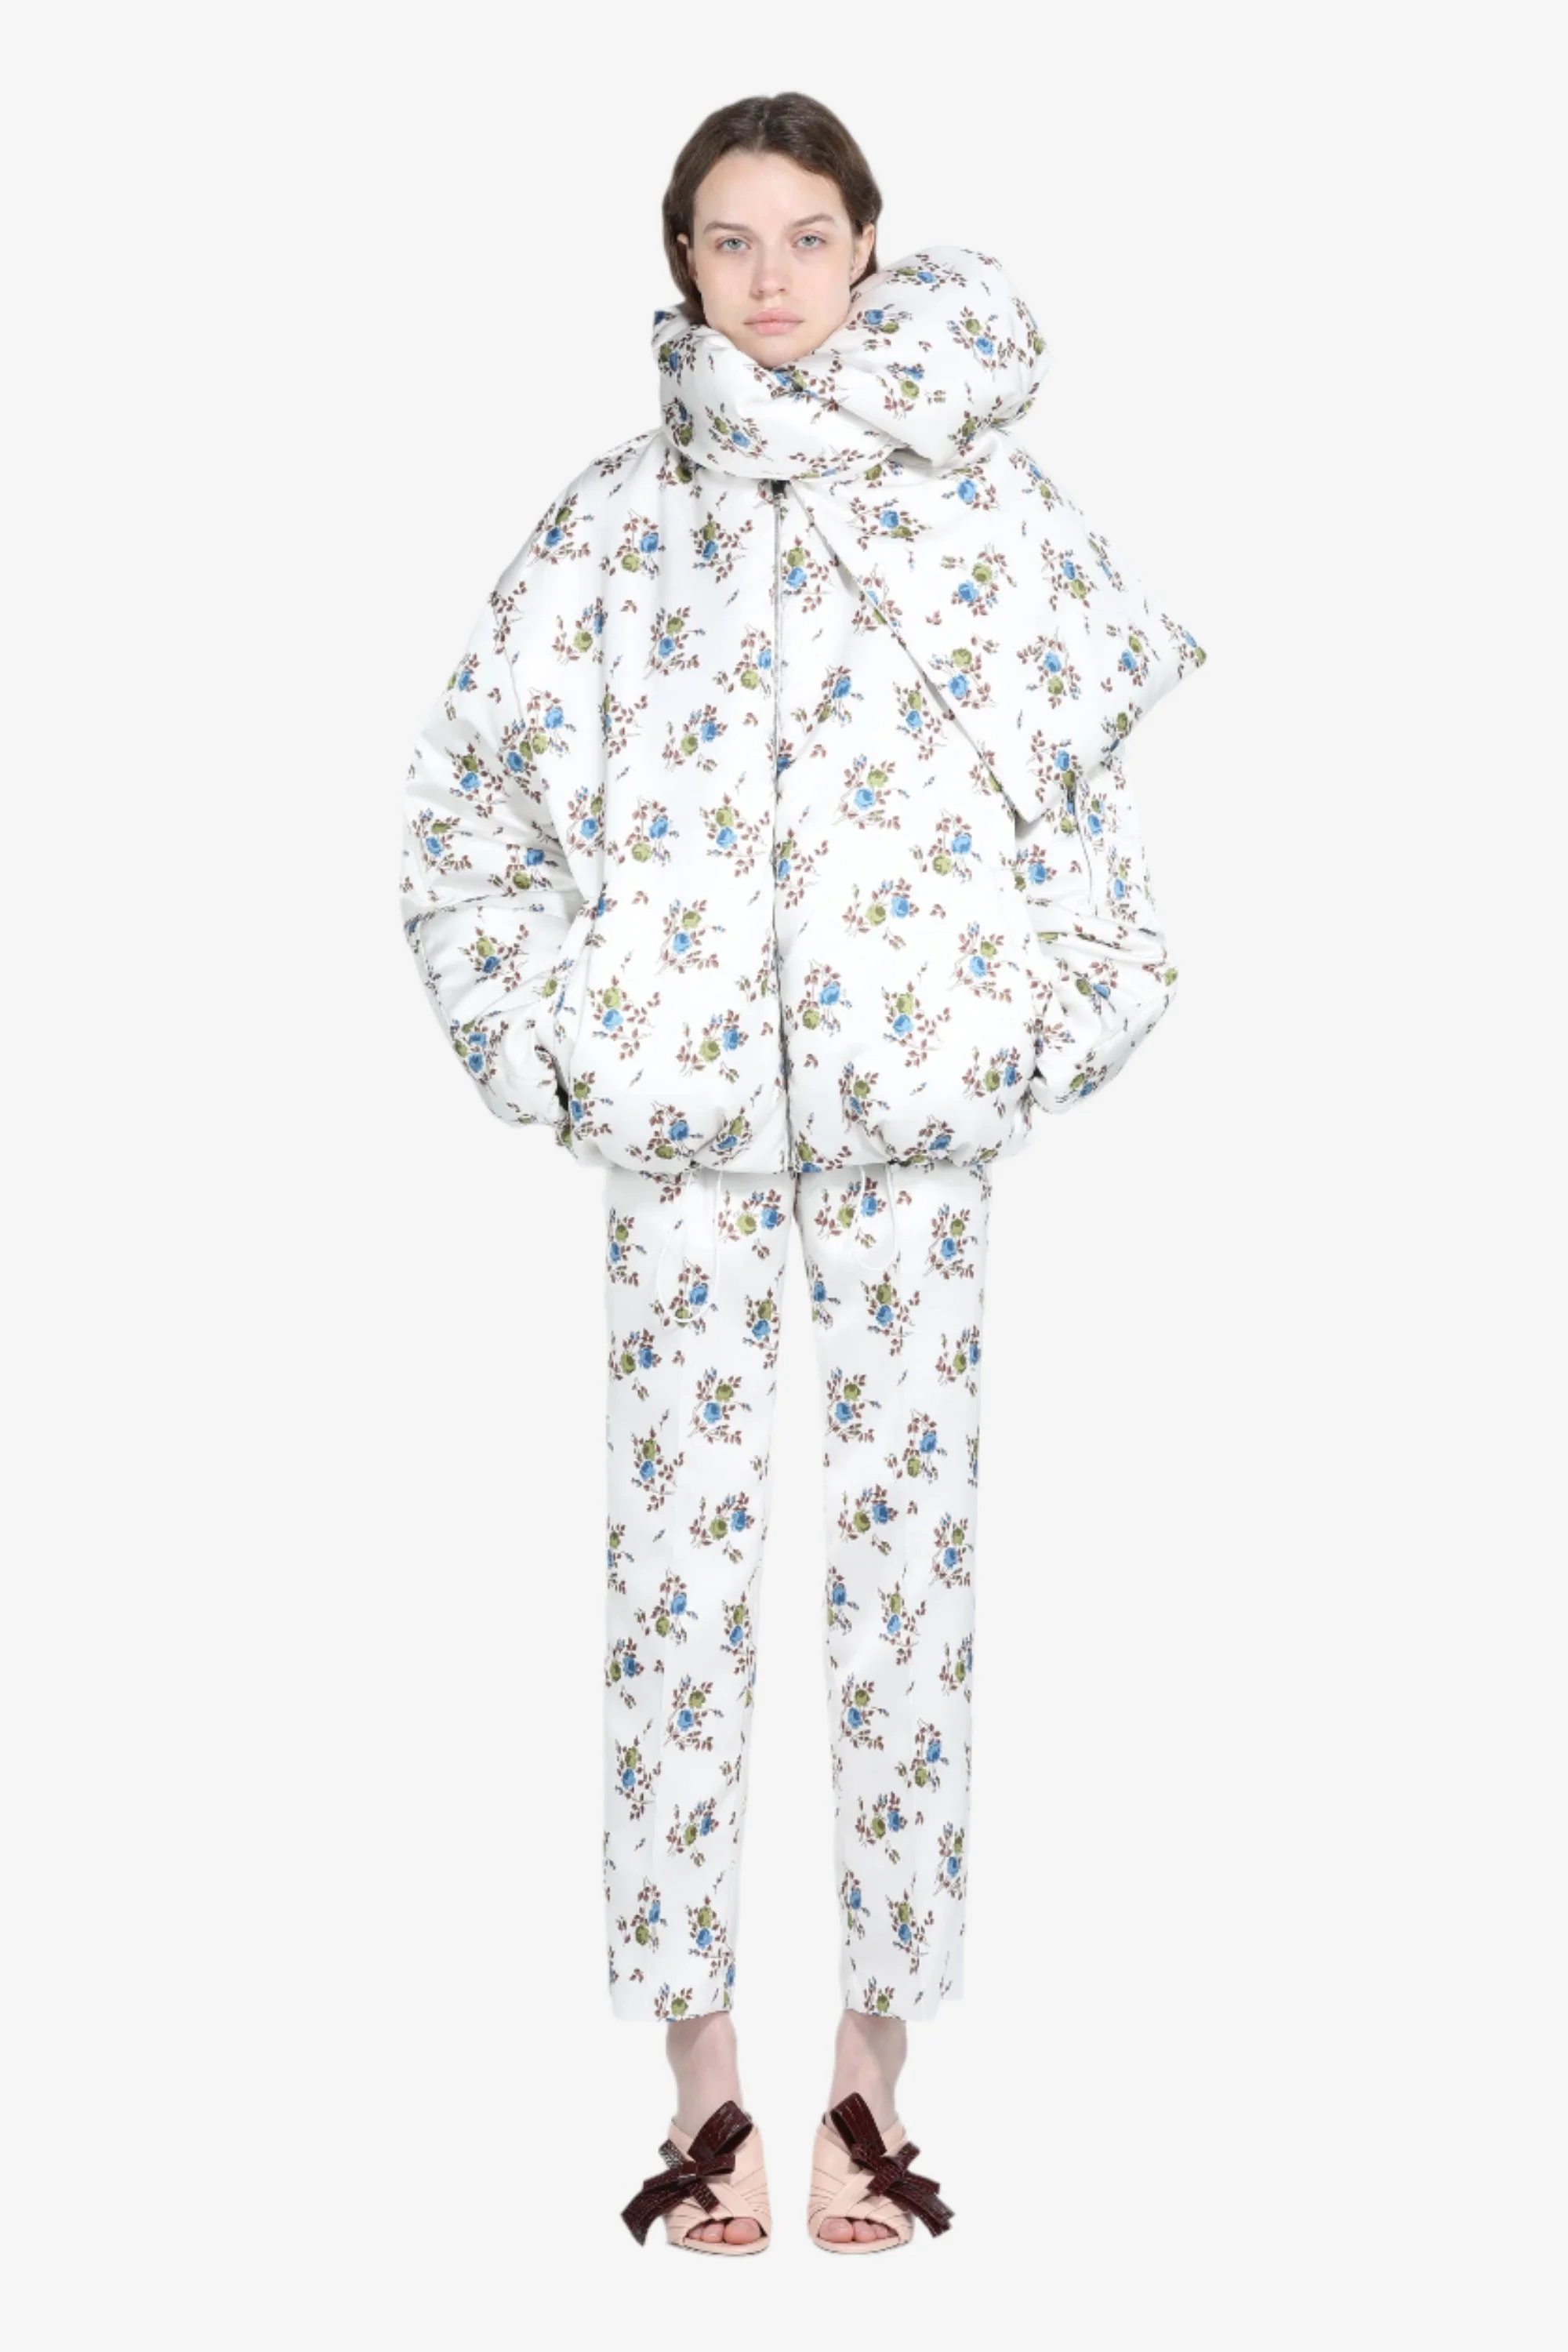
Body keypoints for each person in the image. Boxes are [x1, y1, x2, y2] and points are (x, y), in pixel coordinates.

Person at [397, 90, 1206, 2254]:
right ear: (681, 265)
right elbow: (464, 820)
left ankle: (870, 2071)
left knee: (907, 1590)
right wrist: (572, 1048)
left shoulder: (986, 512)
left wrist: (1014, 1040)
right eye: (730, 241)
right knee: (671, 1590)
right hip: (680, 1145)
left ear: (871, 250)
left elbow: (1100, 835)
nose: (771, 280)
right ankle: (703, 2078)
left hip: (907, 1139)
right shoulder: (610, 526)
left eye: (809, 235)